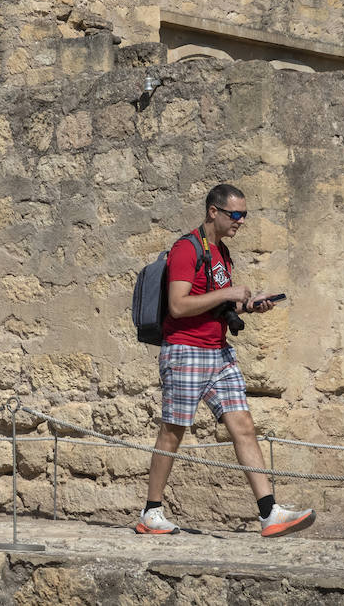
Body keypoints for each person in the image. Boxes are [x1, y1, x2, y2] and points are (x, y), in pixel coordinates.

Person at [136, 184, 316, 538]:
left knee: (243, 425)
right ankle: (151, 513)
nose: (241, 221)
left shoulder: (222, 254)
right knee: (173, 431)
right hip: (185, 351)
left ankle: (269, 513)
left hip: (218, 353)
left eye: (245, 215)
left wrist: (249, 304)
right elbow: (178, 305)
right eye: (235, 214)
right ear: (213, 212)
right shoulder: (186, 249)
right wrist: (229, 293)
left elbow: (217, 303)